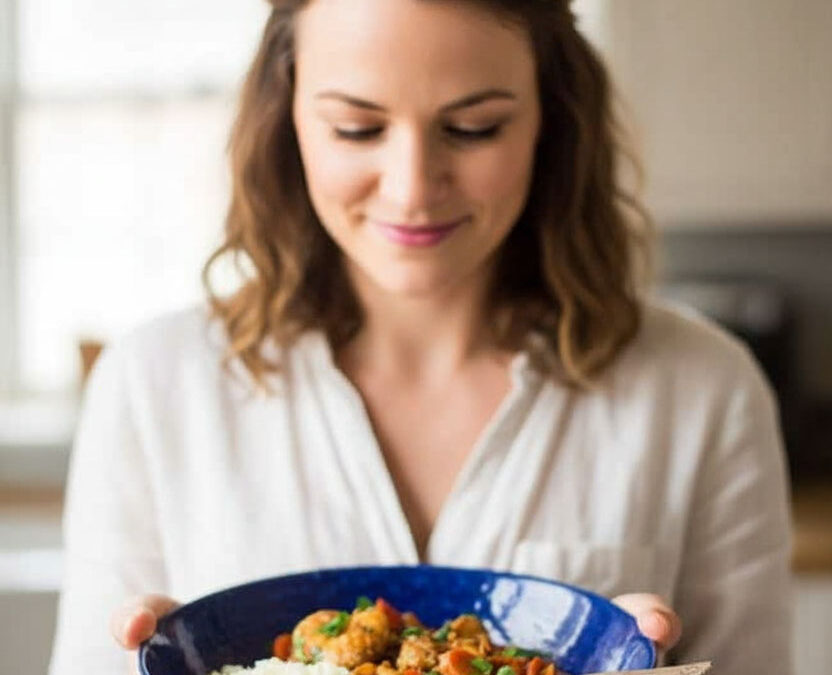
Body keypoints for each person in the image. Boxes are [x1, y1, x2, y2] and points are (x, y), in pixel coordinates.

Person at [47, 1, 793, 674]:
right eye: (356, 127)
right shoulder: (152, 382)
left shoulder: (702, 386)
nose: (411, 187)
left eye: (474, 128)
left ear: (552, 121)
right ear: (289, 121)